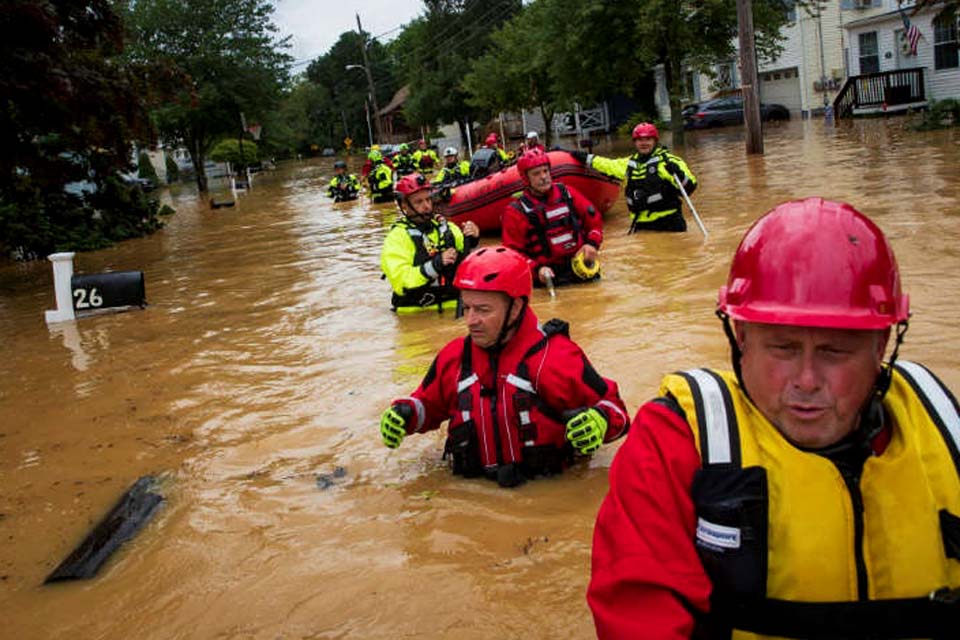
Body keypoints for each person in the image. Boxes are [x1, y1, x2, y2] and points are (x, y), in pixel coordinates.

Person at [587, 197, 960, 639]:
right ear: (740, 337)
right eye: (782, 348)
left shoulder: (944, 426)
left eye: (834, 352)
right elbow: (638, 613)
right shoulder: (674, 443)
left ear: (880, 348)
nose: (805, 380)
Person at [379, 245, 629, 487]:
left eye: (483, 310)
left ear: (516, 308)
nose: (470, 321)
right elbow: (428, 405)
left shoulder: (557, 357)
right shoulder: (454, 356)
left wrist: (601, 420)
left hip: (543, 495)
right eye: (466, 308)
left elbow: (615, 409)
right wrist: (407, 414)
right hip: (470, 495)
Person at [502, 148, 605, 288]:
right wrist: (536, 269)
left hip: (581, 266)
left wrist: (592, 244)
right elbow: (513, 253)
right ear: (526, 178)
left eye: (545, 171)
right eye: (536, 174)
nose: (543, 177)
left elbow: (594, 221)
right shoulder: (516, 211)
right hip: (547, 276)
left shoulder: (568, 193)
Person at [381, 173, 479, 313]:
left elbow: (468, 261)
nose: (426, 206)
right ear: (404, 206)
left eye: (428, 199)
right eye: (419, 202)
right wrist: (435, 265)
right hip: (416, 316)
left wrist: (474, 237)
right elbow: (401, 281)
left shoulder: (447, 228)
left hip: (454, 311)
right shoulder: (397, 237)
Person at [572, 122, 696, 233]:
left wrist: (679, 173)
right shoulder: (628, 164)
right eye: (640, 140)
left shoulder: (669, 162)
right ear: (635, 142)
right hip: (642, 225)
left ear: (655, 141)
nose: (644, 143)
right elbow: (607, 164)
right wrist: (583, 157)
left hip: (670, 224)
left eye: (648, 139)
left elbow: (690, 188)